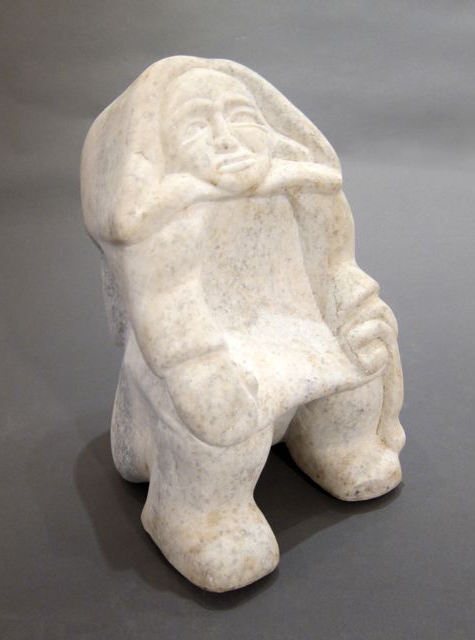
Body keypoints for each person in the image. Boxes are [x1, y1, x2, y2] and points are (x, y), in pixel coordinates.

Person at [81, 57, 405, 592]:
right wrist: (198, 368)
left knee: (358, 360)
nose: (226, 138)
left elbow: (334, 265)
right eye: (196, 126)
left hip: (290, 332)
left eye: (240, 117)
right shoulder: (165, 218)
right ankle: (198, 517)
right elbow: (167, 316)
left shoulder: (302, 189)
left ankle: (336, 445)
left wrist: (355, 308)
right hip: (197, 351)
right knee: (214, 408)